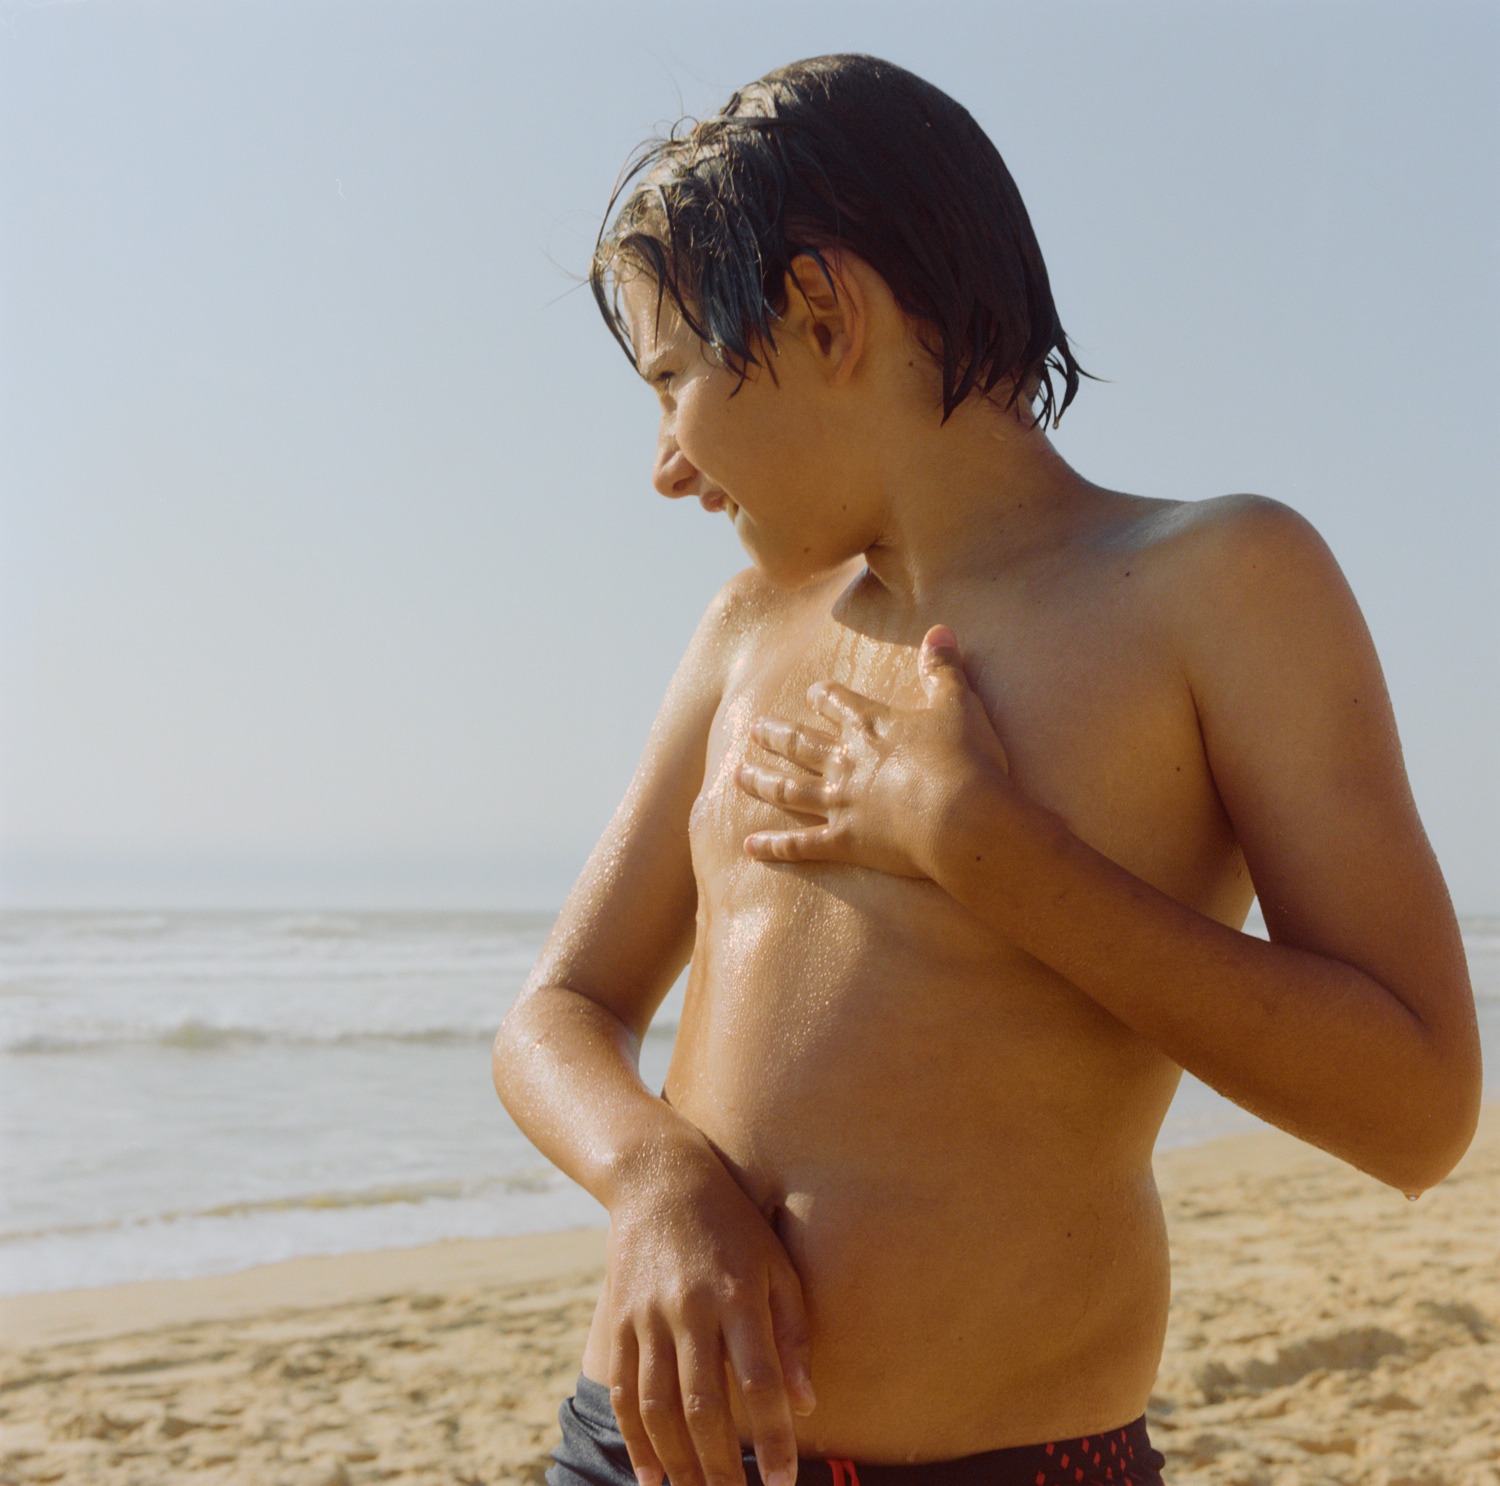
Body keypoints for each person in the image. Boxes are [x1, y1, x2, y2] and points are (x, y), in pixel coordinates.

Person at [492, 54, 1480, 1486]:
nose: (666, 464)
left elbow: (1419, 1106)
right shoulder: (745, 632)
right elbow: (556, 1014)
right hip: (649, 1455)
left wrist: (989, 853)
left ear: (823, 311)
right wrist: (653, 1180)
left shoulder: (1213, 583)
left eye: (674, 381)